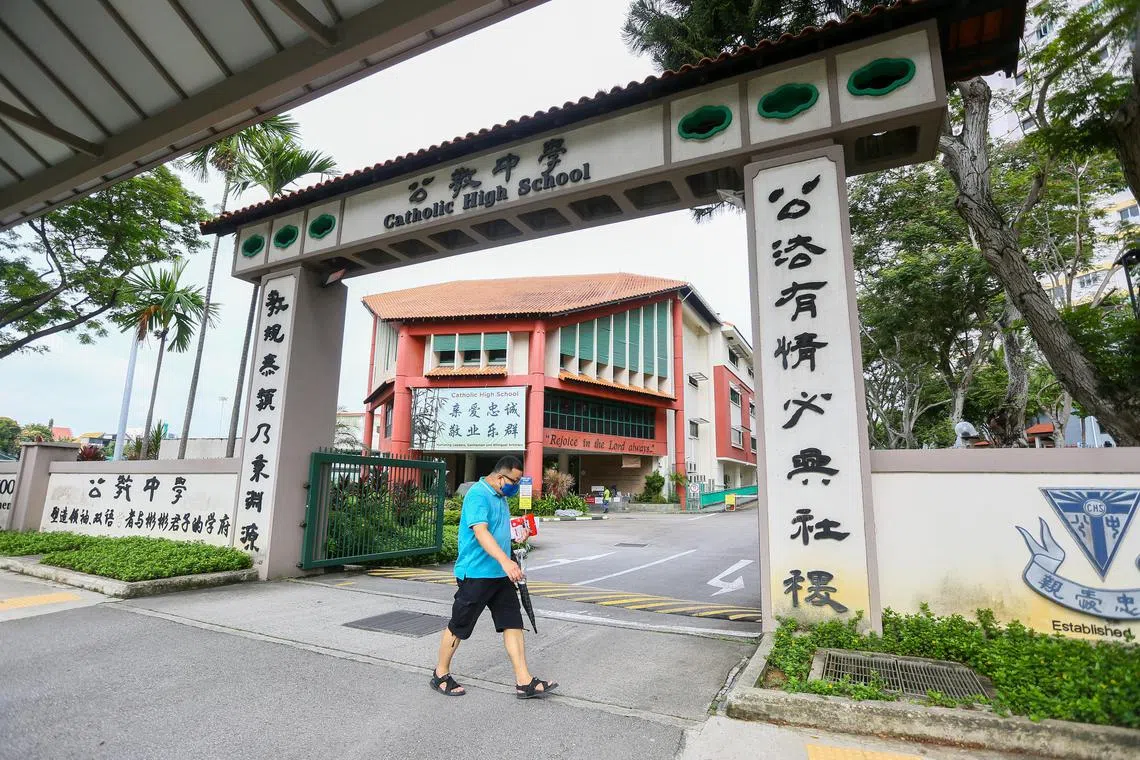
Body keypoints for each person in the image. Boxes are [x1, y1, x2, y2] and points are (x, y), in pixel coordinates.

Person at [431, 455, 558, 699]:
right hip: (476, 574)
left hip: (500, 575)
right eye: (516, 480)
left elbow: (498, 530)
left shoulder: (500, 497)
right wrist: (505, 560)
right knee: (459, 625)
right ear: (501, 477)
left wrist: (515, 535)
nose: (517, 485)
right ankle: (440, 674)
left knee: (513, 623)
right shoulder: (478, 495)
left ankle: (524, 681)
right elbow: (481, 533)